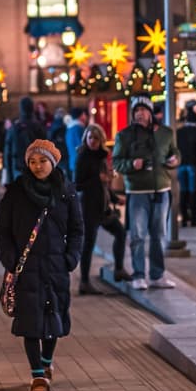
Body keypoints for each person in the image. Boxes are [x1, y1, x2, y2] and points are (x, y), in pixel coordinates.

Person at [0, 139, 82, 391]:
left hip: (55, 267)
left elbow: (77, 228)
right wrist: (10, 259)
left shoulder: (65, 191)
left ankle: (46, 362)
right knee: (30, 321)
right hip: (27, 268)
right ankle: (37, 375)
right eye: (32, 161)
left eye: (42, 161)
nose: (37, 166)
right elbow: (2, 230)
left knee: (52, 319)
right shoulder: (16, 192)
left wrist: (71, 258)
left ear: (53, 162)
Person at [112, 97, 181, 290]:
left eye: (143, 110)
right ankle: (139, 274)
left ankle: (157, 275)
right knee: (138, 235)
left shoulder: (166, 133)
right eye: (136, 111)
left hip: (162, 190)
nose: (139, 114)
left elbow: (175, 153)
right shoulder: (125, 136)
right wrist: (132, 165)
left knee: (159, 235)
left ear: (151, 113)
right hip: (138, 191)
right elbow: (116, 162)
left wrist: (175, 160)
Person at [74, 123, 127, 293]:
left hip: (104, 206)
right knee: (88, 244)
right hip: (89, 207)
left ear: (101, 139)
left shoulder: (102, 156)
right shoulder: (82, 156)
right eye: (90, 138)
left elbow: (104, 185)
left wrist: (114, 197)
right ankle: (84, 282)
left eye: (96, 138)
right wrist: (98, 178)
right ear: (86, 138)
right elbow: (78, 185)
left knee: (120, 232)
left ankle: (119, 269)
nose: (93, 141)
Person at [3, 97, 46, 183]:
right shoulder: (38, 126)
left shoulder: (15, 128)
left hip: (18, 166)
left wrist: (7, 170)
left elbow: (8, 150)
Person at [65, 107, 88, 177]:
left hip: (73, 162)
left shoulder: (69, 128)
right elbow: (83, 146)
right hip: (81, 163)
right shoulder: (79, 128)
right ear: (81, 115)